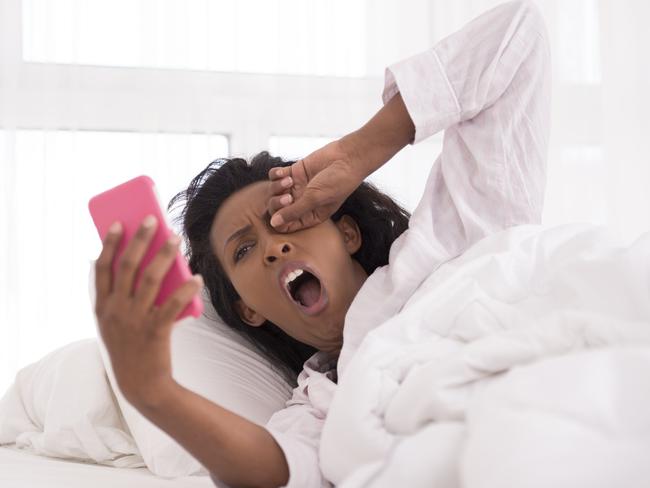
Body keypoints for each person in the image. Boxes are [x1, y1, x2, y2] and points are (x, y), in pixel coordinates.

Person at [92, 1, 550, 487]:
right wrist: (151, 390)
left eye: (284, 220)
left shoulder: (453, 243)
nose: (272, 247)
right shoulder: (320, 402)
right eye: (244, 250)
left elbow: (519, 35)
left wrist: (361, 149)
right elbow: (278, 471)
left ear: (346, 231)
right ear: (249, 310)